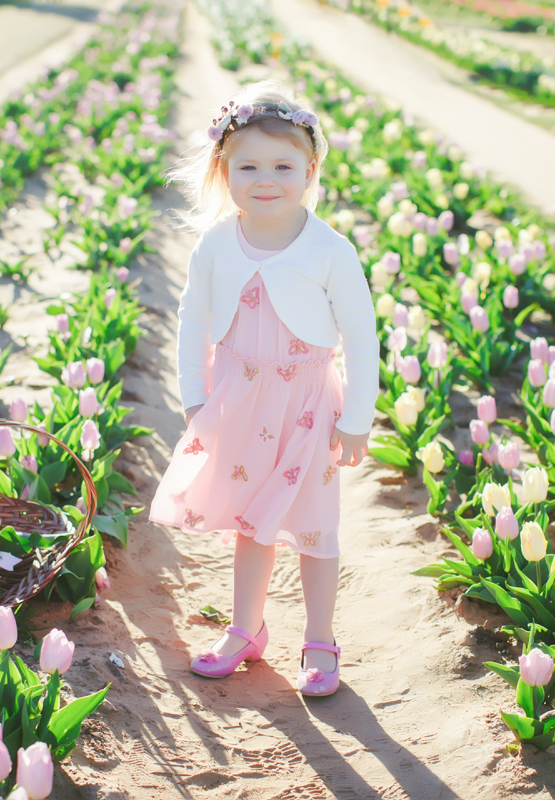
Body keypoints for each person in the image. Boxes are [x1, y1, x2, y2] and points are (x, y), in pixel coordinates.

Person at [149, 80, 378, 697]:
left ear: (310, 170)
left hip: (308, 405)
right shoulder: (217, 244)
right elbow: (193, 320)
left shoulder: (331, 250)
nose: (266, 178)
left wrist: (357, 416)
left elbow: (360, 335)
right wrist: (195, 397)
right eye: (248, 165)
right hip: (238, 401)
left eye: (283, 165)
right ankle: (246, 629)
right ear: (225, 172)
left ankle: (320, 639)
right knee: (250, 524)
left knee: (312, 525)